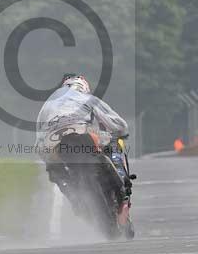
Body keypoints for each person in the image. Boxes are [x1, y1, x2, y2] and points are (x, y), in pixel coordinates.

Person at [36, 73, 131, 203]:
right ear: (83, 87)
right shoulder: (86, 97)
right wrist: (122, 132)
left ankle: (73, 198)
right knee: (114, 142)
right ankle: (121, 179)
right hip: (80, 131)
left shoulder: (47, 104)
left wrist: (49, 161)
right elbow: (116, 124)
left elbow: (39, 140)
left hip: (52, 141)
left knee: (54, 169)